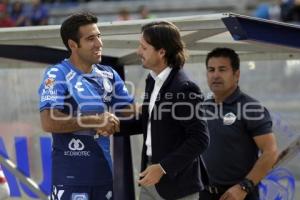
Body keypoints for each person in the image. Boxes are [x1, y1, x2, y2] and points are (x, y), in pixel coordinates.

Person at [38, 12, 134, 200]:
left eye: (99, 36)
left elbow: (130, 112)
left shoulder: (109, 74)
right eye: (91, 39)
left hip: (104, 178)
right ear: (73, 44)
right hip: (70, 179)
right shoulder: (56, 74)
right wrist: (94, 120)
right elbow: (48, 122)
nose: (99, 44)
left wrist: (163, 105)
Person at [118, 21, 209, 200]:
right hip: (150, 178)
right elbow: (151, 122)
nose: (138, 52)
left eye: (144, 48)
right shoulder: (152, 81)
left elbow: (200, 139)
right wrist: (115, 127)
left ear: (162, 52)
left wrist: (162, 168)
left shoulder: (184, 88)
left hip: (178, 184)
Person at [200, 47, 279, 200]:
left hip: (239, 195)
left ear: (236, 75)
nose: (215, 75)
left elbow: (271, 152)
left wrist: (244, 186)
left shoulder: (251, 108)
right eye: (211, 70)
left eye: (222, 69)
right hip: (204, 194)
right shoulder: (202, 107)